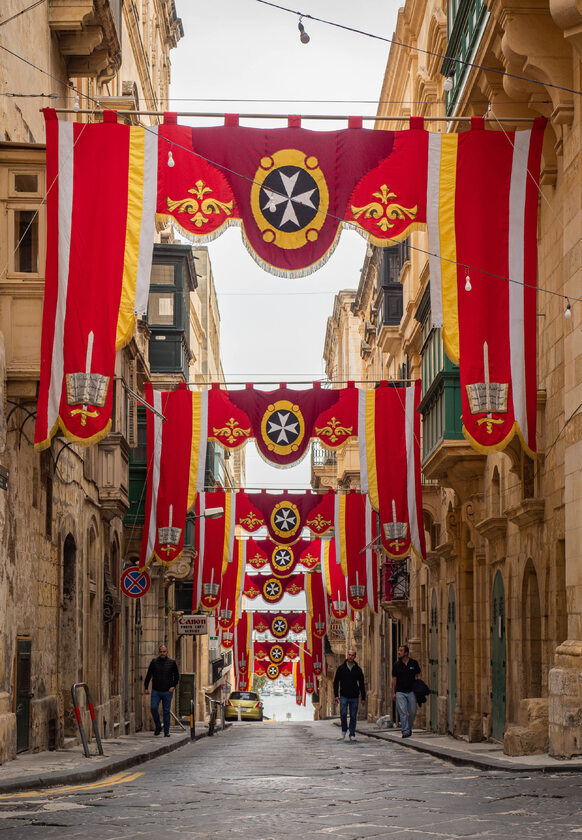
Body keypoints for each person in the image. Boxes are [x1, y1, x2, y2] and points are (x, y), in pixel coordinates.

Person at [144, 644, 180, 737]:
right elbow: (148, 675)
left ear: (167, 652)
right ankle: (158, 726)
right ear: (159, 652)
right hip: (156, 690)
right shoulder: (154, 662)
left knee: (166, 711)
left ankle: (166, 731)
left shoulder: (172, 662)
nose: (162, 653)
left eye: (164, 651)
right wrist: (146, 687)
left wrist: (173, 686)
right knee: (153, 708)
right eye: (161, 651)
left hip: (167, 691)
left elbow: (176, 676)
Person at [334, 648, 366, 742]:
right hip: (344, 695)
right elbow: (336, 682)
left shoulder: (358, 669)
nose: (350, 657)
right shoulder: (341, 668)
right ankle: (344, 731)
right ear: (347, 655)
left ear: (354, 657)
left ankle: (352, 734)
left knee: (353, 716)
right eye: (349, 655)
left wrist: (363, 697)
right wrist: (336, 695)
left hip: (354, 696)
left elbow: (361, 683)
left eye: (352, 655)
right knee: (343, 714)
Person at [391, 644, 421, 738]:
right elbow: (394, 679)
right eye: (399, 650)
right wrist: (393, 692)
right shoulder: (396, 665)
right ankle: (405, 731)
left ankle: (409, 728)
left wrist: (419, 687)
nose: (399, 652)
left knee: (412, 711)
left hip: (411, 691)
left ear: (406, 653)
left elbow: (418, 675)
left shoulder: (414, 663)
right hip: (400, 692)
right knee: (402, 712)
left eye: (401, 651)